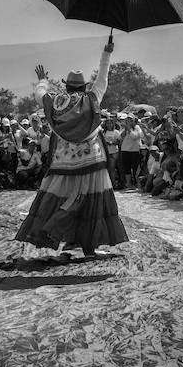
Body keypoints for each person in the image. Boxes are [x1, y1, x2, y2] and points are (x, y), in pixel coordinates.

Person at [16, 39, 128, 258]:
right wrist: (106, 53)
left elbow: (39, 94)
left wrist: (43, 80)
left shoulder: (55, 102)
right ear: (84, 86)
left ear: (66, 86)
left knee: (59, 198)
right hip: (91, 162)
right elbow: (103, 79)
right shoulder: (92, 98)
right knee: (91, 204)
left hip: (63, 162)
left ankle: (59, 233)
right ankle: (85, 245)